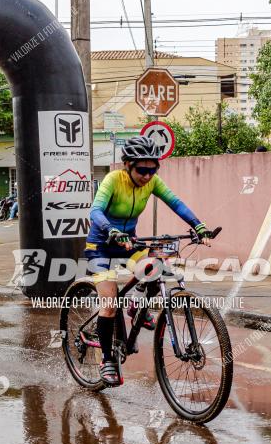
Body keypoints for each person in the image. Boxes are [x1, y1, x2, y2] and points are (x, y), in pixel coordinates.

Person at [86, 135, 214, 386]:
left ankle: (136, 308)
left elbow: (175, 203)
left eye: (153, 168)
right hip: (100, 246)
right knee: (110, 304)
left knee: (156, 270)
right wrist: (110, 230)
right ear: (127, 165)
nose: (148, 175)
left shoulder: (152, 181)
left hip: (129, 244)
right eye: (142, 169)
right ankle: (107, 359)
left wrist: (198, 225)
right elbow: (95, 210)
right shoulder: (114, 179)